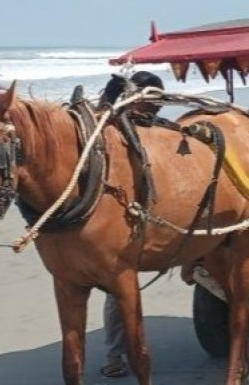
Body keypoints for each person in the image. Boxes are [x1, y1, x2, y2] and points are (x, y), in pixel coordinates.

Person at [100, 70, 164, 379]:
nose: (154, 111)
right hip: (120, 224)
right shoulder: (109, 135)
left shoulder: (149, 132)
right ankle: (115, 354)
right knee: (117, 291)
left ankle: (116, 355)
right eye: (150, 104)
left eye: (157, 106)